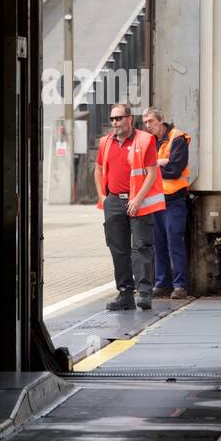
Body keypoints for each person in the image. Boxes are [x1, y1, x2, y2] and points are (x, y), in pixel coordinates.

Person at [94, 103, 166, 310]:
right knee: (118, 248)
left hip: (138, 201)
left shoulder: (145, 140)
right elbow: (98, 169)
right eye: (112, 119)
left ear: (129, 119)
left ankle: (144, 293)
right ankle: (125, 294)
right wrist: (102, 196)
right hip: (114, 201)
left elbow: (152, 172)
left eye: (119, 118)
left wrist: (137, 199)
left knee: (141, 246)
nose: (115, 123)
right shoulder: (105, 142)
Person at [143, 108, 191, 299]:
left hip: (174, 201)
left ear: (161, 120)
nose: (148, 126)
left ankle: (180, 285)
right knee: (158, 244)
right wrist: (161, 162)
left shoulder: (177, 138)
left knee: (175, 242)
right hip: (155, 201)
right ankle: (162, 284)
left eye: (151, 121)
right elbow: (143, 168)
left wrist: (154, 168)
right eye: (145, 122)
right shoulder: (148, 141)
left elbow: (175, 170)